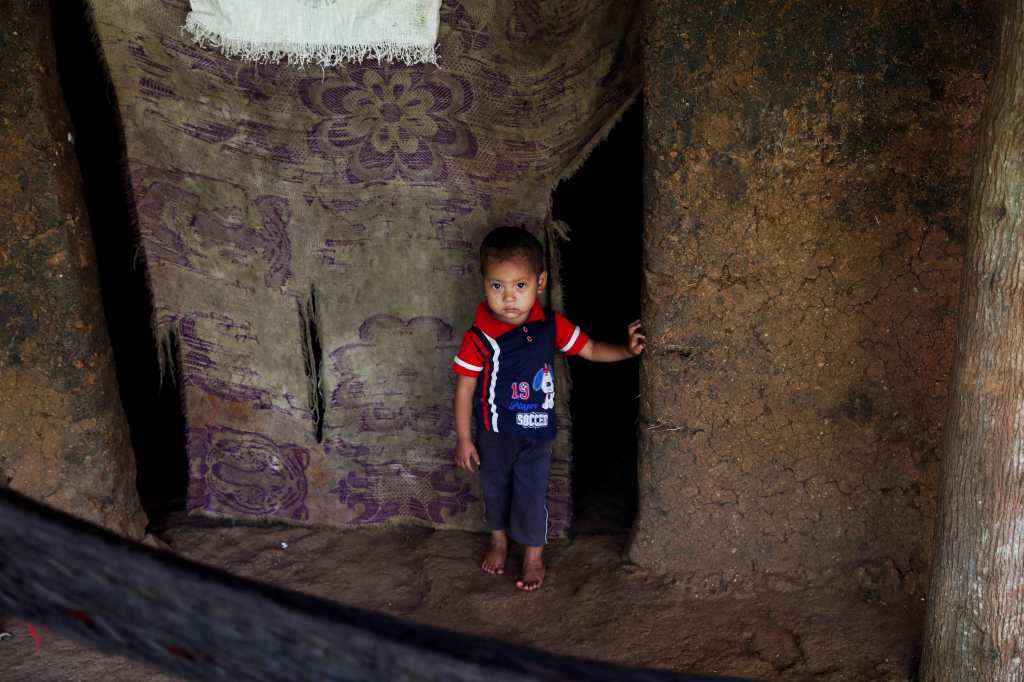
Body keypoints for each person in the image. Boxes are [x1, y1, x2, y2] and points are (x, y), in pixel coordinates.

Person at [451, 226, 644, 591]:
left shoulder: (552, 326)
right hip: (495, 433)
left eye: (520, 285)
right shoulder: (480, 337)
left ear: (539, 283)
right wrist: (464, 438)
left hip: (537, 432)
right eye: (497, 286)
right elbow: (465, 388)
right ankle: (498, 540)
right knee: (495, 488)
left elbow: (589, 349)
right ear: (484, 284)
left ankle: (533, 556)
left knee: (531, 492)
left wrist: (626, 350)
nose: (509, 297)